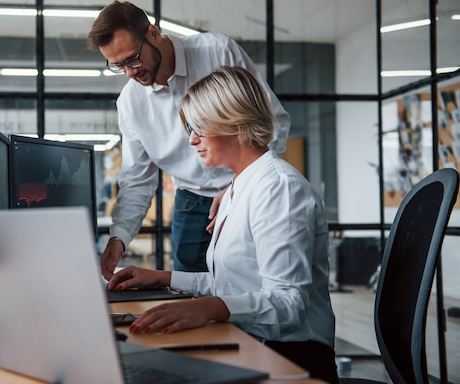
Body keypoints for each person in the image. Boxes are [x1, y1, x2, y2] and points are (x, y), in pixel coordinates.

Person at [106, 66, 338, 384]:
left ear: (234, 122)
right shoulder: (237, 186)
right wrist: (165, 277)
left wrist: (211, 308)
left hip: (294, 355)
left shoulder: (279, 188)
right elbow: (235, 286)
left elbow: (288, 303)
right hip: (256, 341)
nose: (192, 140)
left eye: (199, 127)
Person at [88, 1, 291, 276]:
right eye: (118, 66)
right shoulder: (130, 103)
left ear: (154, 34)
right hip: (191, 203)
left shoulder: (218, 53)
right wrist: (118, 238)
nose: (130, 72)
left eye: (132, 59)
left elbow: (272, 121)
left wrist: (241, 186)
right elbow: (137, 179)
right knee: (190, 293)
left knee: (253, 281)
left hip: (247, 191)